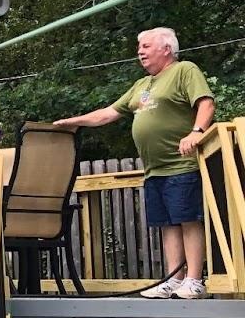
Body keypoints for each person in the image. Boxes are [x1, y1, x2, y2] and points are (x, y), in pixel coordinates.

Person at [54, 27, 215, 298]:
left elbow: (206, 103)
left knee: (188, 220)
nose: (140, 51)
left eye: (146, 46)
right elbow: (108, 113)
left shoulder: (184, 70)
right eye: (139, 47)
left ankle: (194, 280)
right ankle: (173, 280)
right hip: (154, 169)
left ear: (166, 48)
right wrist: (74, 121)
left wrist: (196, 133)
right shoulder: (142, 85)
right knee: (167, 224)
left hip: (182, 164)